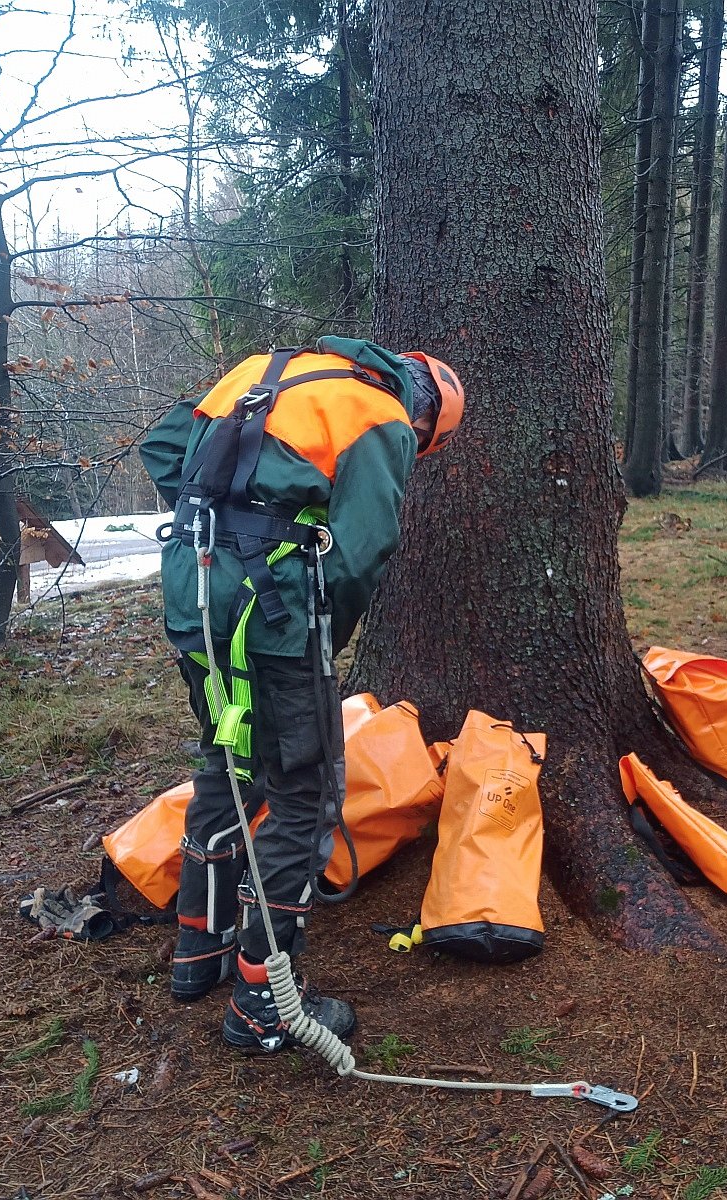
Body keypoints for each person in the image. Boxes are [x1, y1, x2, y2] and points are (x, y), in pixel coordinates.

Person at [140, 336, 463, 1051]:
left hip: (193, 595)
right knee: (302, 796)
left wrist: (219, 521)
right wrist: (321, 635)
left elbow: (162, 445)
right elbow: (362, 549)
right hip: (273, 616)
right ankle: (266, 999)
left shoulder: (263, 374)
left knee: (228, 760)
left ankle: (199, 948)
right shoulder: (381, 415)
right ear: (425, 420)